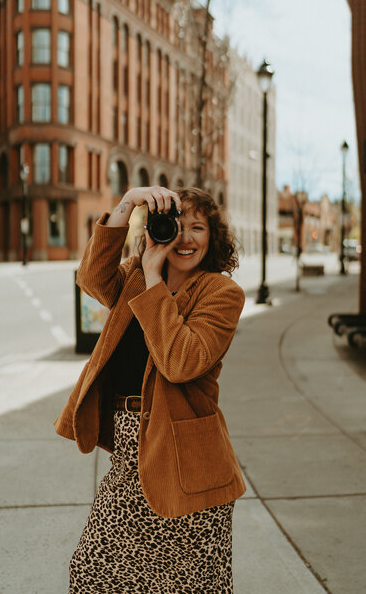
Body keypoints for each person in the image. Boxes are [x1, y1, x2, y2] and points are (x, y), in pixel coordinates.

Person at [54, 186, 246, 594]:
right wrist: (128, 202)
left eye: (199, 227)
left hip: (187, 464)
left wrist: (155, 278)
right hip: (131, 456)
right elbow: (89, 278)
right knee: (93, 574)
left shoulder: (221, 293)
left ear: (213, 238)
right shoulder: (132, 278)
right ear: (159, 231)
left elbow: (181, 362)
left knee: (189, 588)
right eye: (178, 225)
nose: (187, 237)